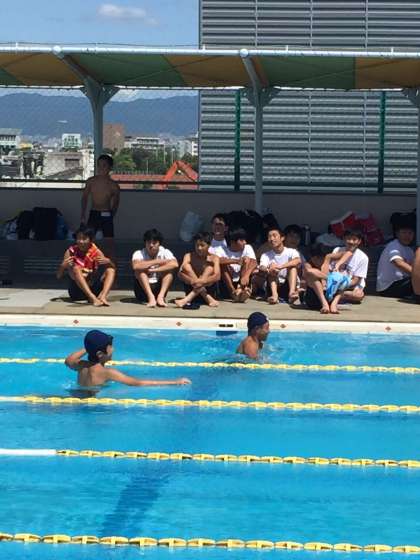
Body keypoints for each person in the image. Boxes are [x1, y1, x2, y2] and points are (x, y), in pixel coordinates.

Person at [65, 330, 190, 389]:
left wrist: (89, 347)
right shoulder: (107, 372)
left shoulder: (81, 365)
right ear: (100, 354)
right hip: (95, 407)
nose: (113, 349)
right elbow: (138, 383)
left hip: (79, 397)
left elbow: (69, 360)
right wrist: (175, 382)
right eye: (110, 347)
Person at [56, 225, 116, 307]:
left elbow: (113, 269)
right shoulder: (70, 252)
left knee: (110, 270)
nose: (81, 241)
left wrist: (109, 262)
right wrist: (62, 266)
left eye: (84, 239)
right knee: (76, 268)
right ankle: (92, 298)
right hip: (77, 291)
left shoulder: (96, 251)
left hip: (93, 287)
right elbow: (58, 276)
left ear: (91, 240)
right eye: (78, 239)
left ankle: (103, 297)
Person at [132, 229, 178, 308]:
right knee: (140, 272)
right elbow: (136, 266)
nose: (151, 245)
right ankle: (151, 297)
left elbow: (175, 264)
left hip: (159, 288)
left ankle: (160, 297)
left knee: (169, 272)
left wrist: (152, 270)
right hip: (142, 291)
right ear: (145, 243)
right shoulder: (139, 253)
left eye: (154, 243)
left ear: (159, 243)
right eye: (148, 242)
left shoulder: (165, 252)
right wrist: (158, 261)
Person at [255, 228, 301, 304]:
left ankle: (291, 294)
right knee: (272, 269)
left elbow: (297, 261)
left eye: (274, 236)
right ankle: (274, 296)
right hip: (273, 285)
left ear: (282, 238)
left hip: (288, 284)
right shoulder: (266, 255)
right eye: (269, 237)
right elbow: (262, 266)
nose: (271, 239)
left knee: (292, 267)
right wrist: (269, 269)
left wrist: (281, 267)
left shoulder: (291, 251)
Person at [175, 232, 221, 308]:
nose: (199, 248)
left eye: (202, 245)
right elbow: (180, 273)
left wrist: (202, 282)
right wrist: (192, 281)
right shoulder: (188, 256)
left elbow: (217, 276)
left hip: (208, 289)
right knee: (186, 266)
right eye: (197, 245)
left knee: (209, 268)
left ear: (209, 245)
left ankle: (186, 300)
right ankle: (209, 299)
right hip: (191, 287)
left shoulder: (214, 258)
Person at [81, 154, 120, 239]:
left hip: (107, 213)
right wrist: (83, 214)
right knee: (88, 238)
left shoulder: (113, 185)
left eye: (104, 165)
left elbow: (116, 203)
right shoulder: (91, 181)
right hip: (94, 213)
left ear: (110, 167)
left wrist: (111, 215)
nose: (101, 168)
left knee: (109, 239)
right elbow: (84, 198)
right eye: (99, 165)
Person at [329, 229, 369, 304]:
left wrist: (340, 287)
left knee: (359, 296)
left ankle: (334, 295)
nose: (351, 242)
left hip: (350, 287)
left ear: (359, 241)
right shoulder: (337, 250)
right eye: (348, 239)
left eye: (354, 239)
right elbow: (330, 270)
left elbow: (355, 281)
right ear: (344, 239)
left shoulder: (363, 257)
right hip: (334, 283)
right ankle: (335, 296)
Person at [218, 228, 257, 302]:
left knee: (246, 259)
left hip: (243, 281)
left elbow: (254, 262)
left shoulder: (247, 247)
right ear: (233, 242)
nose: (245, 242)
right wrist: (236, 261)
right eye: (242, 240)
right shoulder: (222, 249)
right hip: (228, 282)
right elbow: (218, 261)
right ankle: (233, 292)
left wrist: (246, 276)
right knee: (223, 264)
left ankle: (241, 290)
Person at [376, 225, 415, 298]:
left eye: (410, 233)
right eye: (404, 232)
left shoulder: (410, 250)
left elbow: (415, 267)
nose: (407, 236)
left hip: (402, 283)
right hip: (388, 287)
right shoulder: (394, 245)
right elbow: (398, 263)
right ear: (397, 234)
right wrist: (417, 274)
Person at [303, 244, 342, 314]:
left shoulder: (329, 263)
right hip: (313, 298)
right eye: (314, 258)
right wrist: (329, 278)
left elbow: (347, 253)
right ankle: (324, 304)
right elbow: (310, 271)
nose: (317, 260)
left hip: (329, 295)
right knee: (312, 277)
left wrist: (330, 256)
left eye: (319, 258)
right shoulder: (308, 265)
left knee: (342, 280)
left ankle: (333, 305)